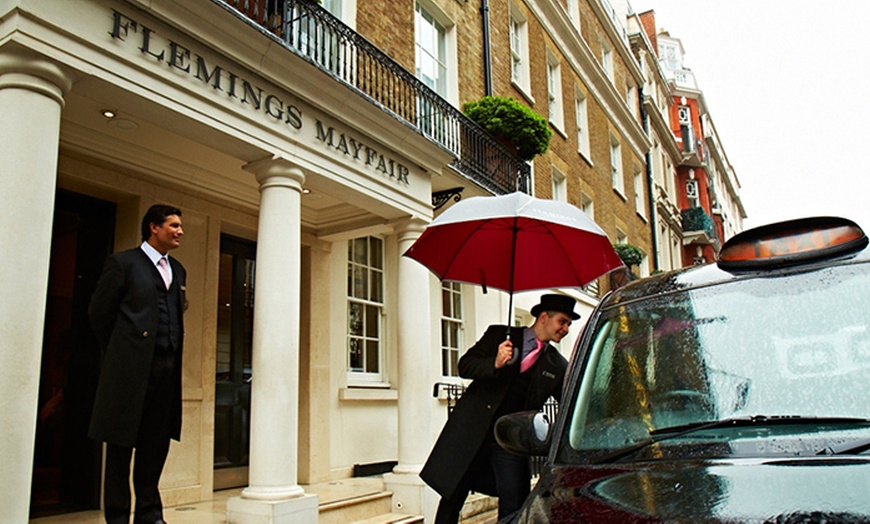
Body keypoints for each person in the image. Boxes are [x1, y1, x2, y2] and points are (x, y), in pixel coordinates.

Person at [421, 294, 576, 523]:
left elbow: (570, 403)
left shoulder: (557, 364)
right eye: (562, 322)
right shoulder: (499, 336)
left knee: (514, 501)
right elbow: (465, 366)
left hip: (510, 443)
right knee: (453, 494)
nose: (566, 329)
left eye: (568, 325)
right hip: (474, 433)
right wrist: (495, 362)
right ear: (544, 317)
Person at [88, 204, 186, 524]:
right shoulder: (123, 263)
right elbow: (99, 313)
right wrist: (121, 354)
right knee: (120, 448)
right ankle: (117, 518)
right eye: (173, 225)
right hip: (129, 373)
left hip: (166, 372)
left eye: (180, 225)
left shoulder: (179, 270)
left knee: (154, 446)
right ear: (153, 228)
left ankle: (149, 515)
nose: (179, 231)